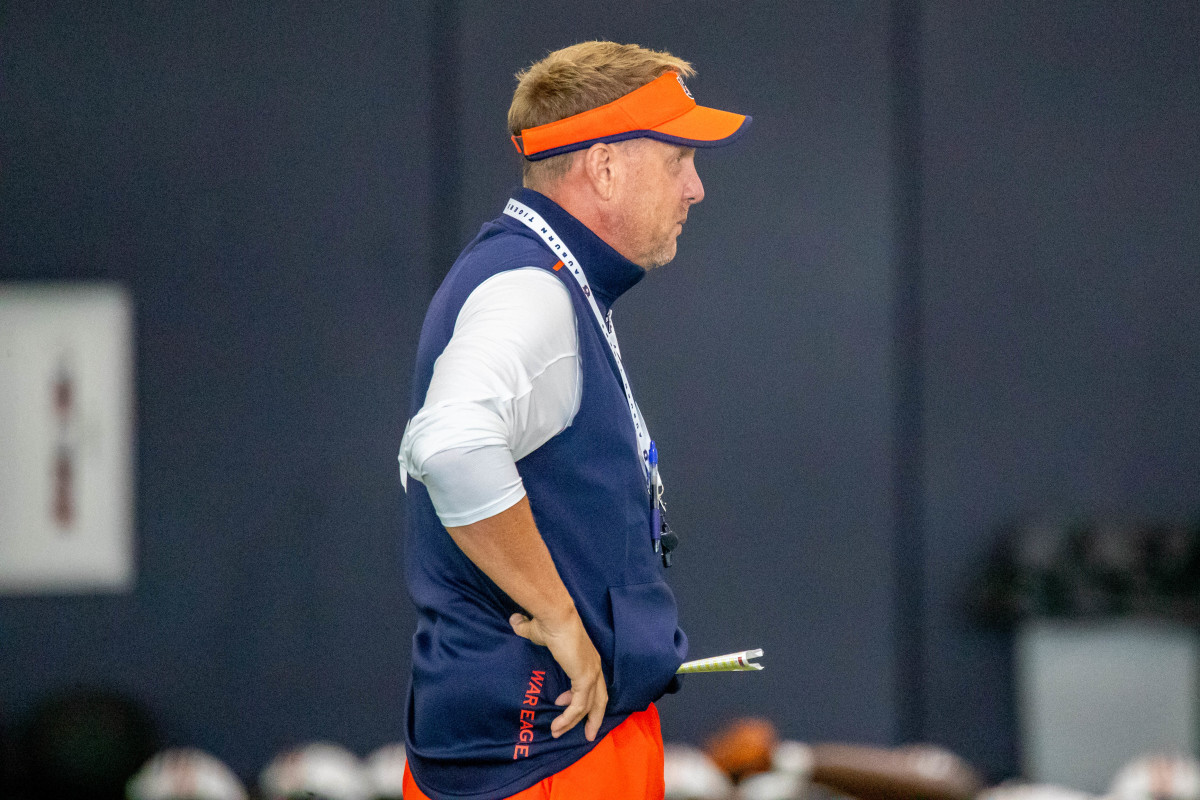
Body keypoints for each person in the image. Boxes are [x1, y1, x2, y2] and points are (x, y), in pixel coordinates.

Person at [397, 41, 751, 800]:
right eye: (678, 159)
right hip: (543, 754)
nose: (696, 188)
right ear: (604, 167)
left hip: (550, 744)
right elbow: (451, 446)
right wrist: (557, 615)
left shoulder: (547, 276)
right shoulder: (531, 288)